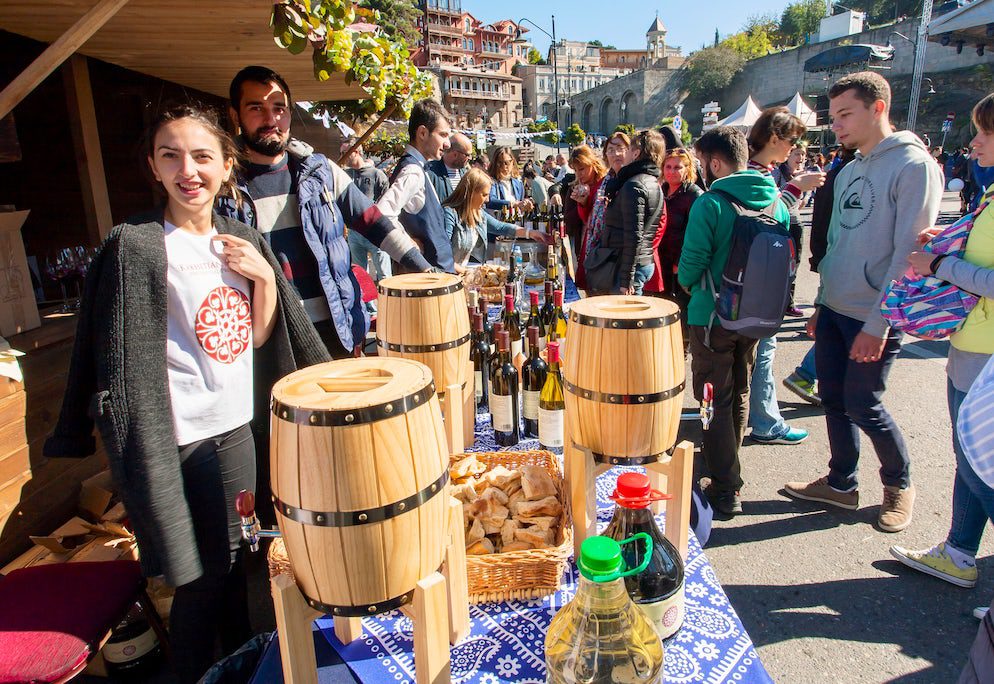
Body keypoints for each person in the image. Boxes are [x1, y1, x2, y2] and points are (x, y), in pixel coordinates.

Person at [45, 104, 329, 683]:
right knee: (199, 577)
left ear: (227, 165)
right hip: (172, 441)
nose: (187, 170)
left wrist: (266, 278)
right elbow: (112, 356)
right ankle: (211, 670)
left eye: (202, 156)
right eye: (171, 155)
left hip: (234, 433)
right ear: (153, 166)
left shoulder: (243, 240)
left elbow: (258, 340)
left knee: (233, 569)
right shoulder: (139, 246)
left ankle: (231, 665)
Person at [785, 71, 944, 533]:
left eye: (845, 114)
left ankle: (899, 485)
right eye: (832, 117)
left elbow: (908, 254)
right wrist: (822, 304)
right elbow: (835, 242)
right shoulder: (851, 169)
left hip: (877, 314)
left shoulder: (914, 166)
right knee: (832, 399)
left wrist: (880, 323)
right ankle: (841, 483)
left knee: (864, 404)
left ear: (878, 108)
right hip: (836, 308)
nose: (835, 125)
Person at [218, 66, 430, 359]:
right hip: (274, 342)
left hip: (336, 333)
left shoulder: (321, 172)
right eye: (257, 108)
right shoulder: (224, 186)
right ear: (234, 114)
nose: (271, 119)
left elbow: (373, 222)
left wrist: (426, 270)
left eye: (279, 108)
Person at [889, 93, 994, 588]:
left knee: (978, 460)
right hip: (973, 344)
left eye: (986, 133)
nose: (974, 143)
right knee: (970, 454)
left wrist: (939, 264)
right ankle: (959, 552)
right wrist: (947, 240)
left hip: (985, 352)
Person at [679, 126, 791, 515]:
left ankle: (725, 487)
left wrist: (690, 285)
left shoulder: (710, 203)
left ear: (713, 162)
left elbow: (690, 265)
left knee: (713, 398)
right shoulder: (775, 200)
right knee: (740, 390)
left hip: (712, 316)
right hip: (755, 316)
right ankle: (727, 464)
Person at [744, 107, 822, 446]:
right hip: (758, 281)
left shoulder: (762, 170)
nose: (794, 147)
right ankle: (765, 422)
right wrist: (794, 188)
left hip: (755, 279)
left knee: (759, 352)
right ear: (774, 138)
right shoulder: (757, 173)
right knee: (763, 351)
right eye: (792, 140)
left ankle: (760, 417)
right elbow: (766, 217)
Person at [783, 144, 857, 406]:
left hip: (830, 259)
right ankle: (808, 375)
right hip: (842, 264)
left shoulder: (836, 174)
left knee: (832, 321)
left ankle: (810, 376)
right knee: (842, 327)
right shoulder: (847, 176)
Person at [376, 98, 455, 273]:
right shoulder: (413, 170)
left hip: (435, 277)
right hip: (429, 282)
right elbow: (382, 214)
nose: (447, 143)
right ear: (422, 133)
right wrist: (408, 243)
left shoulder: (417, 168)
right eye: (442, 135)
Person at [593, 129, 665, 296]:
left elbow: (634, 236)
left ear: (636, 153)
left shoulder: (635, 184)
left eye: (629, 149)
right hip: (634, 262)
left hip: (628, 265)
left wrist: (626, 279)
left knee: (624, 319)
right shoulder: (650, 181)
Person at [443, 167, 551, 272]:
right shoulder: (449, 213)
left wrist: (531, 233)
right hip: (448, 278)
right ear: (471, 192)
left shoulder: (478, 213)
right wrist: (465, 272)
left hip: (462, 274)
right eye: (484, 195)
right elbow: (442, 254)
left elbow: (501, 227)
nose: (487, 200)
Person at [660, 146, 703, 343]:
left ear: (687, 169)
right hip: (662, 262)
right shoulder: (661, 191)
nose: (671, 171)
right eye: (668, 166)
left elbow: (694, 234)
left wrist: (681, 263)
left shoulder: (693, 195)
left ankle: (682, 351)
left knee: (681, 313)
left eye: (677, 167)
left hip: (681, 264)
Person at [340, 137, 391, 282]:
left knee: (384, 276)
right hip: (354, 232)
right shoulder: (345, 176)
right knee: (359, 276)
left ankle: (386, 304)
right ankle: (367, 306)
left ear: (355, 152)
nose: (342, 156)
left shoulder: (377, 175)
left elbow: (386, 202)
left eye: (344, 152)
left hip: (375, 231)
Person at [567, 145, 610, 290]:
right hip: (586, 244)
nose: (579, 174)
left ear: (592, 164)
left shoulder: (604, 183)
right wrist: (581, 203)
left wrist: (585, 203)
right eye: (576, 170)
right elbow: (581, 220)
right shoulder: (577, 186)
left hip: (602, 245)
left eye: (582, 168)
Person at [426, 131, 472, 204]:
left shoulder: (466, 175)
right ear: (455, 154)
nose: (470, 158)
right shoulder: (429, 173)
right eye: (467, 155)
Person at [486, 146, 533, 214]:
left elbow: (520, 203)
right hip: (498, 221)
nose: (504, 167)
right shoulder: (490, 181)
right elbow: (490, 201)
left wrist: (525, 203)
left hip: (515, 221)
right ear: (494, 164)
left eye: (507, 163)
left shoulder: (518, 182)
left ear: (513, 162)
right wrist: (513, 204)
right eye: (500, 163)